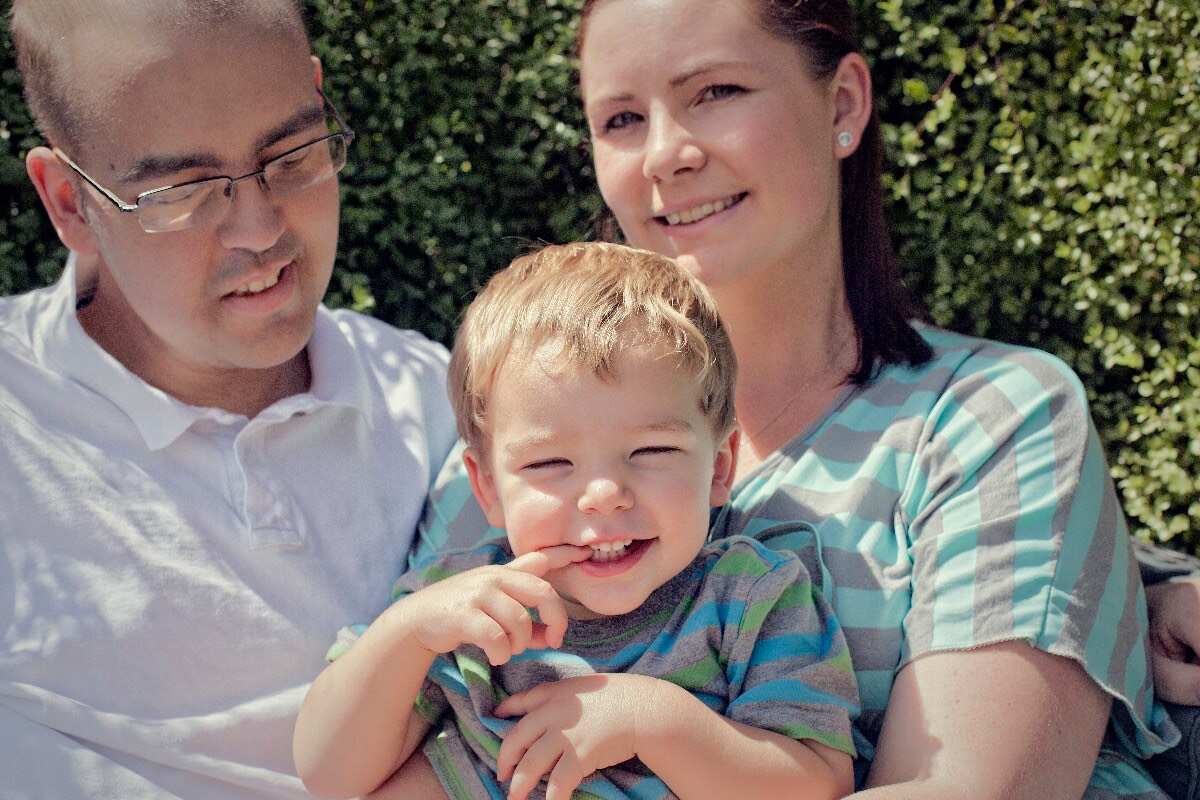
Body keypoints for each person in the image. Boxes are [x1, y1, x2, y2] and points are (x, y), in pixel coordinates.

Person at [410, 0, 1187, 796]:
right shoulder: (508, 451)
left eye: (716, 92)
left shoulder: (990, 418)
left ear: (842, 104)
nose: (665, 155)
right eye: (622, 119)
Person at [0, 1, 456, 797]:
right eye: (182, 190)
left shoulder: (446, 405)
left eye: (292, 154)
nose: (259, 228)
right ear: (69, 201)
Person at [293, 242, 859, 800]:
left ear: (720, 467)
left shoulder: (751, 598)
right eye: (550, 463)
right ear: (487, 487)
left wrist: (652, 722)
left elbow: (820, 783)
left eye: (652, 450)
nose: (605, 495)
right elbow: (330, 775)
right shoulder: (459, 611)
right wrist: (406, 636)